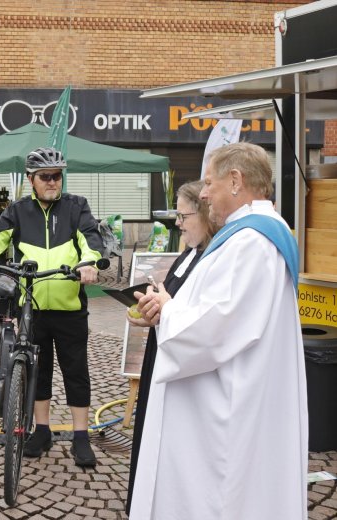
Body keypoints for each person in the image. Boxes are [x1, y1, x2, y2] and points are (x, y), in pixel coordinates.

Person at [129, 142, 307, 520]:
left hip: (225, 411)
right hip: (237, 393)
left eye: (210, 183)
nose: (204, 193)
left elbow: (216, 328)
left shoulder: (251, 243)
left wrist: (168, 309)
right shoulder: (251, 235)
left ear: (236, 180)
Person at [0, 147, 104, 467]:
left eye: (58, 175)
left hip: (70, 306)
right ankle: (41, 430)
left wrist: (89, 263)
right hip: (32, 305)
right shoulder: (17, 211)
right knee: (38, 371)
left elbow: (90, 239)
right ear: (31, 180)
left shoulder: (76, 206)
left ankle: (81, 437)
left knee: (76, 372)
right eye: (46, 176)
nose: (53, 181)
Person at [124, 180, 217, 514]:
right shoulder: (190, 251)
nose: (178, 223)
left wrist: (163, 308)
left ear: (205, 213)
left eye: (183, 215)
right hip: (161, 353)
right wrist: (149, 309)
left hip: (181, 364)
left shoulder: (212, 258)